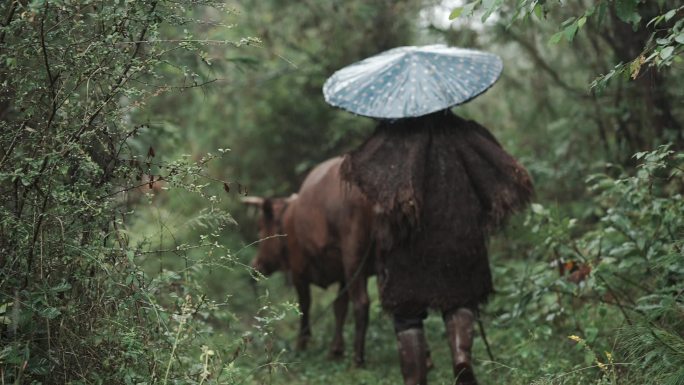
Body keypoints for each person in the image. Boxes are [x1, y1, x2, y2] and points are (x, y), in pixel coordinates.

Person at [341, 110, 533, 385]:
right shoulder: (466, 132)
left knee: (407, 314)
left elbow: (365, 179)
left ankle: (415, 380)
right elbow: (498, 177)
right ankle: (460, 355)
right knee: (461, 298)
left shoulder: (389, 139)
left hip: (407, 245)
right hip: (459, 236)